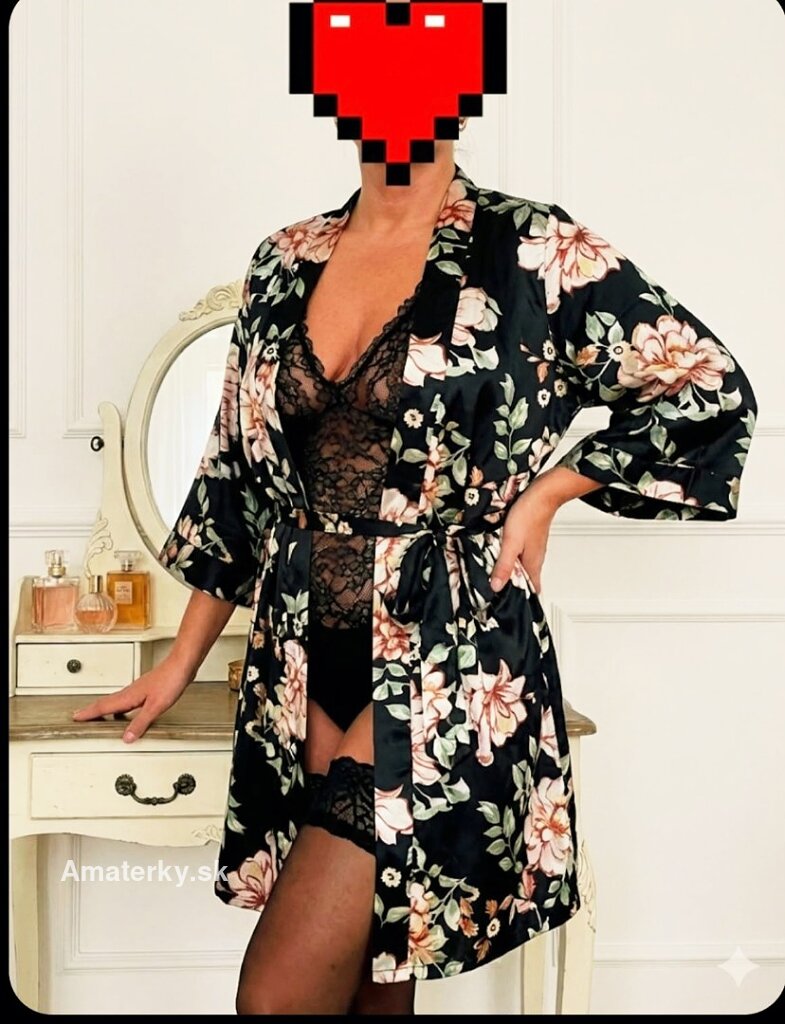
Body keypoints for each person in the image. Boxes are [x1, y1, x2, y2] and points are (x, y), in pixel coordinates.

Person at [74, 118, 757, 1015]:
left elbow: (705, 386)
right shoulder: (285, 258)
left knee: (276, 997)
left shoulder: (533, 249)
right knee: (370, 981)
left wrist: (550, 490)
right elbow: (235, 481)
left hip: (449, 649)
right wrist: (177, 664)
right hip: (301, 655)